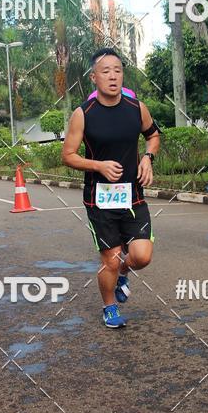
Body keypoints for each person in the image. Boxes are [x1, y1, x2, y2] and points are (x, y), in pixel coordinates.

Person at [62, 48, 160, 328]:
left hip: (134, 196)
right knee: (111, 259)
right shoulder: (83, 114)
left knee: (142, 256)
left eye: (117, 70)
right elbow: (68, 155)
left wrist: (147, 157)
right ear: (94, 77)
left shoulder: (136, 107)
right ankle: (110, 307)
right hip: (99, 200)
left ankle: (123, 272)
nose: (113, 76)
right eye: (105, 71)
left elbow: (153, 135)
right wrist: (99, 166)